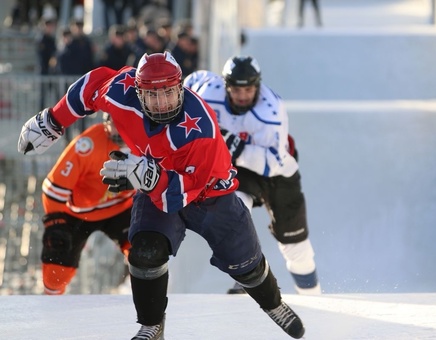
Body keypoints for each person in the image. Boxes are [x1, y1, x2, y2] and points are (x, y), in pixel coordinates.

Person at [18, 51, 305, 339]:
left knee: (246, 266)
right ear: (137, 91)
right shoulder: (122, 92)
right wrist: (52, 120)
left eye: (168, 92)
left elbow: (187, 189)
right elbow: (91, 86)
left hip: (209, 193)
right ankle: (152, 325)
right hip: (156, 180)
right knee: (144, 252)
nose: (161, 101)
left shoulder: (199, 128)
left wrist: (147, 177)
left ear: (180, 88)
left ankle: (273, 304)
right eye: (152, 95)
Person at [183, 56, 321, 295]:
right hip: (235, 168)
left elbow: (274, 163)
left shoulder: (270, 110)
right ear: (226, 86)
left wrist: (238, 147)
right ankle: (247, 273)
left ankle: (313, 296)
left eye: (249, 89)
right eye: (237, 89)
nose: (243, 95)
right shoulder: (208, 91)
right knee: (236, 209)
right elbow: (192, 81)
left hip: (275, 172)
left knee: (295, 246)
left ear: (258, 86)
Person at [40, 113, 134, 295]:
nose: (121, 129)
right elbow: (53, 189)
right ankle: (50, 307)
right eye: (116, 123)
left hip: (122, 209)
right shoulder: (87, 145)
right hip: (77, 214)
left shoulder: (150, 141)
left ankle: (146, 301)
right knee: (56, 267)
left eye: (128, 121)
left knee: (146, 253)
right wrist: (56, 223)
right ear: (106, 122)